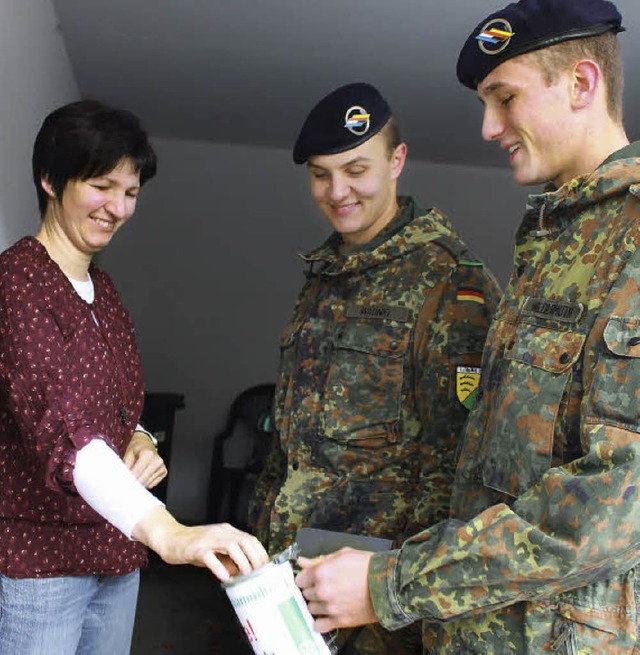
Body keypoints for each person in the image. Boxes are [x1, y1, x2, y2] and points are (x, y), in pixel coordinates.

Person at [295, 0, 640, 652]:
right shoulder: (555, 237)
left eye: (504, 98)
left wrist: (394, 582)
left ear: (583, 84)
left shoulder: (633, 236)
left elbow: (613, 504)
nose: (488, 127)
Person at [0, 99, 268, 655]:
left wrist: (141, 435)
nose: (118, 208)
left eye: (131, 193)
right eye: (102, 186)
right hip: (42, 566)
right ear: (50, 180)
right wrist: (171, 532)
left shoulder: (104, 291)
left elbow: (117, 407)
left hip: (114, 551)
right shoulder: (18, 285)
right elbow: (66, 438)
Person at [249, 82, 501, 654]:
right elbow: (292, 438)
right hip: (293, 581)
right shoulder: (325, 275)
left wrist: (398, 595)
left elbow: (459, 465)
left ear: (397, 160)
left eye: (356, 169)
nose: (337, 191)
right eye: (320, 174)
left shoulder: (452, 286)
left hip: (379, 602)